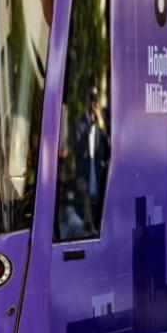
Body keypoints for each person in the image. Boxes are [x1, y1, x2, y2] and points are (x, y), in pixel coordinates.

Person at [73, 84, 110, 228]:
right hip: (85, 174)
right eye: (91, 97)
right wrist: (88, 128)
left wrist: (100, 122)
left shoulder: (103, 122)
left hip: (100, 173)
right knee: (85, 213)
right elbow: (78, 149)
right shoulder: (79, 123)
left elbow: (109, 147)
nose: (93, 100)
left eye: (95, 97)